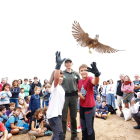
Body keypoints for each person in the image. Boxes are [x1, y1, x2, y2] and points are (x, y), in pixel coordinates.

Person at [78, 62, 100, 140]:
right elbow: (78, 90)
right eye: (82, 70)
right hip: (82, 106)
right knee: (83, 126)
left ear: (88, 71)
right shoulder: (79, 81)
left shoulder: (90, 78)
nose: (84, 72)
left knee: (89, 127)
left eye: (85, 70)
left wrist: (97, 75)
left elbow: (95, 82)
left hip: (90, 107)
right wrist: (79, 94)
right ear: (79, 72)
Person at [47, 51, 65, 140]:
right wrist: (58, 66)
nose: (60, 78)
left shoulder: (60, 88)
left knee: (56, 135)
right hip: (54, 115)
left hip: (57, 114)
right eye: (59, 76)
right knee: (60, 136)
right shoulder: (55, 86)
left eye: (62, 76)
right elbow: (56, 78)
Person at [61, 58, 80, 140]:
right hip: (64, 96)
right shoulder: (62, 73)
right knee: (63, 117)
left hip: (74, 96)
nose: (68, 64)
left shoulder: (75, 73)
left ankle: (74, 135)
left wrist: (79, 93)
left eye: (70, 62)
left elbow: (80, 84)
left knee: (73, 116)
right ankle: (62, 136)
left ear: (72, 64)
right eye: (67, 63)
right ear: (65, 64)